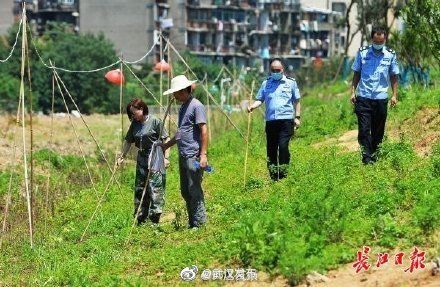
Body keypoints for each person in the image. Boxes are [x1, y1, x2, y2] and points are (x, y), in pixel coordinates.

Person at [161, 75, 208, 228]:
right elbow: (181, 133)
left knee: (194, 189)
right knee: (185, 191)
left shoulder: (196, 106)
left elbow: (204, 131)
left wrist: (203, 155)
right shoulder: (183, 107)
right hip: (183, 154)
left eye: (175, 93)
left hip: (193, 155)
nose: (173, 96)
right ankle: (192, 222)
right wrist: (167, 145)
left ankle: (199, 223)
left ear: (182, 91)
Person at [351, 25, 399, 164]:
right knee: (364, 129)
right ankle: (366, 157)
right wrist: (353, 92)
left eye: (381, 42)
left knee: (378, 130)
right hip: (364, 97)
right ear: (372, 39)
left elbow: (394, 75)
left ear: (385, 40)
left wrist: (394, 95)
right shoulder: (362, 53)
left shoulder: (390, 55)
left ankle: (375, 154)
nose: (378, 44)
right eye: (376, 42)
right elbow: (356, 73)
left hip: (381, 98)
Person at [117, 98, 170, 225]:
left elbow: (166, 139)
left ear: (141, 109)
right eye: (131, 114)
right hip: (141, 158)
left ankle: (154, 218)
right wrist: (122, 156)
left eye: (134, 113)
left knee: (155, 187)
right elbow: (129, 141)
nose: (133, 116)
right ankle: (140, 217)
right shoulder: (135, 124)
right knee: (140, 188)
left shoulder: (155, 121)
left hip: (155, 157)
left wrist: (166, 158)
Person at [247, 58, 301, 181]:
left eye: (278, 70)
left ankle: (283, 174)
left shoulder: (291, 83)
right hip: (271, 121)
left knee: (283, 147)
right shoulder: (266, 83)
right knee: (271, 149)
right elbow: (260, 99)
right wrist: (252, 106)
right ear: (270, 70)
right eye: (273, 70)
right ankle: (273, 177)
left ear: (283, 70)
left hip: (286, 121)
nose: (275, 72)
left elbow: (297, 101)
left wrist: (297, 117)